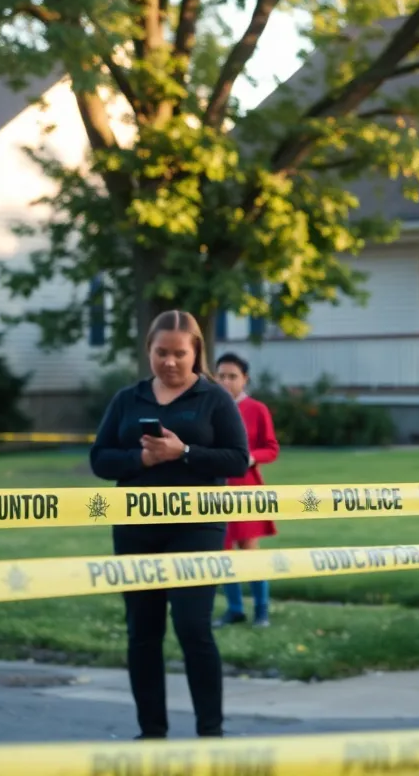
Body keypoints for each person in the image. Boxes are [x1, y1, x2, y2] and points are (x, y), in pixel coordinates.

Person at [90, 310, 250, 740]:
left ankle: (211, 733)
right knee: (143, 630)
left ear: (197, 352)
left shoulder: (213, 398)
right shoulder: (128, 398)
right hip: (136, 527)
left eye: (180, 353)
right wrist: (139, 459)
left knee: (193, 625)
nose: (170, 362)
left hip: (196, 527)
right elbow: (99, 459)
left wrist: (183, 452)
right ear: (148, 351)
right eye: (161, 353)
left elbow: (237, 458)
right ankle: (152, 733)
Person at [213, 353, 280, 629]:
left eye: (232, 376)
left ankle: (262, 610)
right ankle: (235, 608)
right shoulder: (211, 407)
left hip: (247, 487)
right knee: (223, 549)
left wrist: (250, 457)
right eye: (221, 376)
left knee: (250, 548)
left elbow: (272, 448)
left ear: (245, 379)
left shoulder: (256, 409)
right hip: (217, 487)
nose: (226, 381)